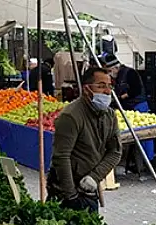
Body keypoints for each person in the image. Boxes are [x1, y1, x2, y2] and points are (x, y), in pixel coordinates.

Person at [47, 67, 122, 213]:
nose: (107, 91)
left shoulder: (110, 116)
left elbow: (115, 151)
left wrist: (94, 177)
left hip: (89, 188)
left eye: (109, 86)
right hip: (64, 190)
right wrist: (71, 196)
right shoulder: (71, 116)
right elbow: (61, 156)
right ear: (87, 89)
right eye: (101, 86)